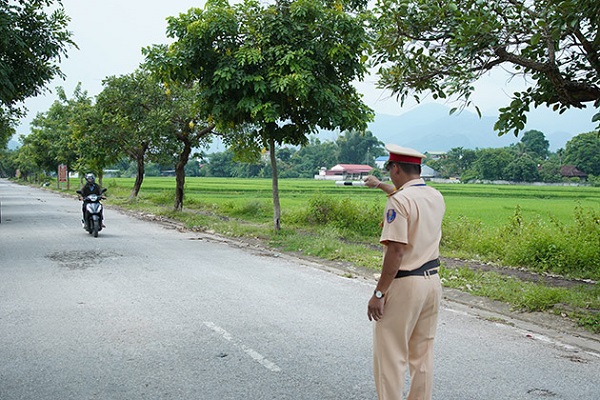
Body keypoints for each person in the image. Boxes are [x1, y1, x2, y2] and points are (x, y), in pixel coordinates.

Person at [364, 144, 446, 400]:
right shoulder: (435, 196)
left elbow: (396, 251)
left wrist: (379, 292)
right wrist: (379, 185)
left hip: (405, 285)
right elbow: (403, 195)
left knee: (391, 355)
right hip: (432, 282)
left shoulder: (398, 202)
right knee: (422, 354)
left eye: (390, 169)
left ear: (396, 168)